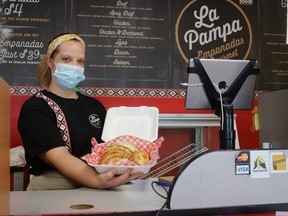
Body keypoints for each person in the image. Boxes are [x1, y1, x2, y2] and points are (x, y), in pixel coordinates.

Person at [18, 33, 144, 190]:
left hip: (100, 182)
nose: (74, 66)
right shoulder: (36, 108)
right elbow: (59, 157)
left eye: (80, 61)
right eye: (66, 59)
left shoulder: (94, 106)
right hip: (55, 187)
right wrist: (97, 181)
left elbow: (110, 149)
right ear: (50, 62)